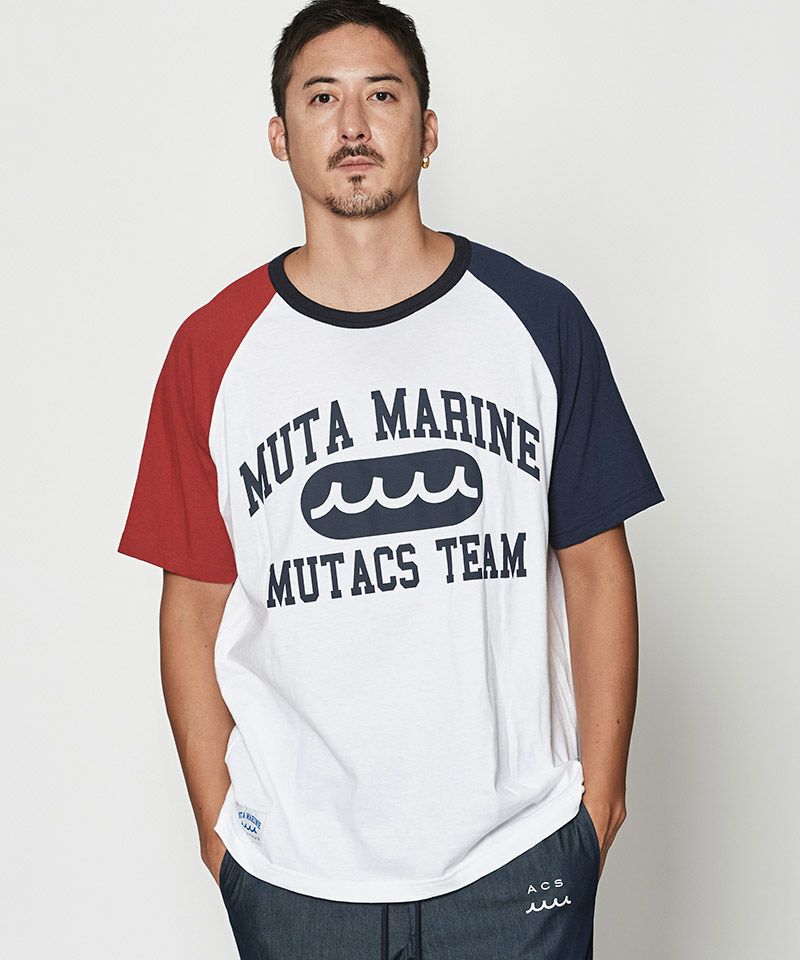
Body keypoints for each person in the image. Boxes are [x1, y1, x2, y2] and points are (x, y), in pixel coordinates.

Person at [117, 1, 665, 957]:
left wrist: (598, 802)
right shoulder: (213, 349)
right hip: (297, 872)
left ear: (429, 128)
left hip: (516, 850)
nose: (353, 124)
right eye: (321, 97)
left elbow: (595, 565)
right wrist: (221, 835)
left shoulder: (536, 319)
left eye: (382, 94)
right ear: (281, 136)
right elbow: (193, 604)